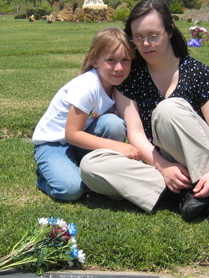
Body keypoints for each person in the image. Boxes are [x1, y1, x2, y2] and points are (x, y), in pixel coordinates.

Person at [79, 0, 209, 227]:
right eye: (138, 37)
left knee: (168, 108)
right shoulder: (130, 77)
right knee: (91, 166)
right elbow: (135, 135)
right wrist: (163, 167)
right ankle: (182, 190)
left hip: (204, 159)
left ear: (170, 32)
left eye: (153, 35)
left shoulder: (197, 72)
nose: (146, 44)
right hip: (155, 161)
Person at [33, 28, 140, 201]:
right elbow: (71, 134)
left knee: (113, 123)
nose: (119, 67)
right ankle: (44, 176)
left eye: (125, 60)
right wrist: (118, 147)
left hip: (81, 141)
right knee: (72, 190)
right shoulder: (87, 87)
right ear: (95, 61)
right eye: (111, 60)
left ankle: (87, 168)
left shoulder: (119, 87)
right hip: (54, 144)